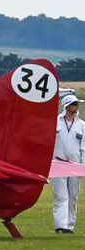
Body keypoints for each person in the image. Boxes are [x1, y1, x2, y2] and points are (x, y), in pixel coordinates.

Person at [52, 93, 84, 234]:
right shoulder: (54, 122)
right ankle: (60, 226)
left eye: (77, 104)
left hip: (76, 165)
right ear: (66, 106)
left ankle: (69, 226)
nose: (76, 106)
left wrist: (83, 165)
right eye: (73, 104)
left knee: (73, 196)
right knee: (61, 195)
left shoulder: (82, 125)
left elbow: (84, 146)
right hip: (58, 163)